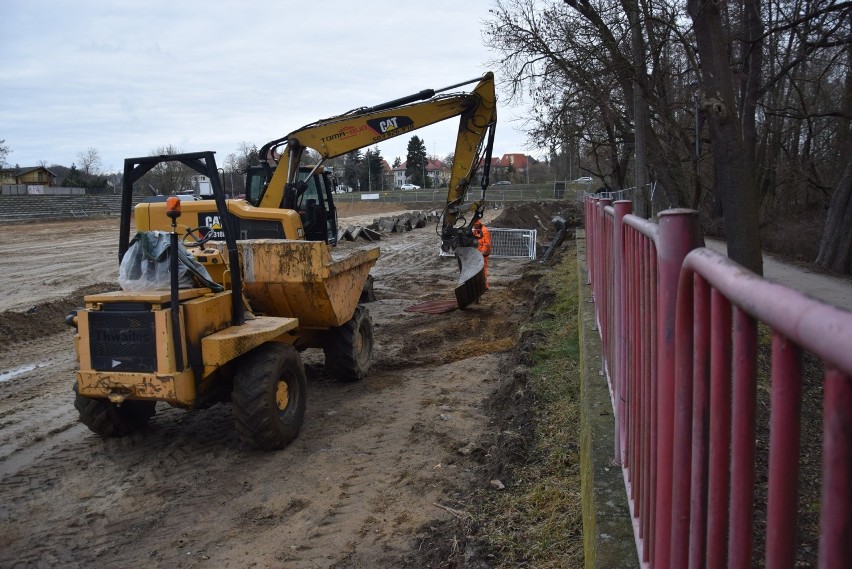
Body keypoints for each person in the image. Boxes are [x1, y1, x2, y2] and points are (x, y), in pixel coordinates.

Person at [472, 220, 492, 289]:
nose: (474, 226)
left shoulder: (484, 231)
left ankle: (484, 285)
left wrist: (482, 253)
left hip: (482, 254)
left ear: (479, 224)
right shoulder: (476, 230)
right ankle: (478, 284)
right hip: (477, 253)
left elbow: (486, 244)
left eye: (475, 225)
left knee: (483, 269)